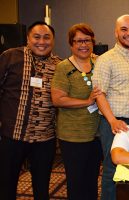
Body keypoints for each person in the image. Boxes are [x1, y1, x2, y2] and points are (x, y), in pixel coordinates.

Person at [0, 21, 61, 200]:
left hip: (45, 138)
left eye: (46, 37)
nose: (41, 41)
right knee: (6, 184)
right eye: (36, 37)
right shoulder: (10, 56)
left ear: (53, 41)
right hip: (13, 135)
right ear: (28, 38)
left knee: (42, 187)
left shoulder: (59, 65)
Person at [92, 15, 129, 200]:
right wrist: (112, 121)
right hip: (113, 123)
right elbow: (99, 94)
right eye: (124, 29)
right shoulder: (105, 59)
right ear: (116, 33)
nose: (128, 33)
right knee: (112, 169)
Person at [51, 23, 101, 200]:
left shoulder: (98, 62)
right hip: (72, 137)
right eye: (78, 41)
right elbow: (57, 99)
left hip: (96, 134)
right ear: (71, 44)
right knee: (76, 181)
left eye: (87, 40)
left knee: (92, 179)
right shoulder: (63, 67)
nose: (83, 45)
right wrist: (86, 101)